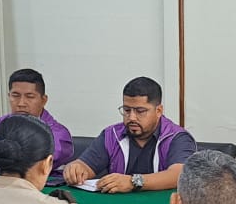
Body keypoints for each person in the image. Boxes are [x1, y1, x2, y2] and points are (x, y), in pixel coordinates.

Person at [60, 76, 196, 193]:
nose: (131, 117)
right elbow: (85, 165)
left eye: (140, 111)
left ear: (159, 111)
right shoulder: (112, 135)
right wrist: (76, 169)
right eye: (126, 110)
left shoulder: (177, 137)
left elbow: (179, 175)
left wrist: (133, 182)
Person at [0, 67, 75, 170]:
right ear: (9, 96)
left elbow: (40, 159)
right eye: (15, 96)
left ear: (43, 100)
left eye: (30, 97)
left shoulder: (58, 133)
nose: (21, 103)